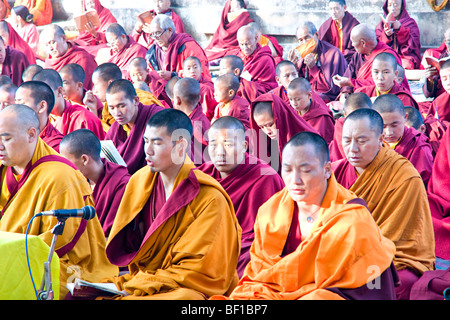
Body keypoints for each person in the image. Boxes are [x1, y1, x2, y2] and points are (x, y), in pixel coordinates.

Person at [212, 131, 397, 300]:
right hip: (274, 292)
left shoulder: (352, 220)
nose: (295, 180)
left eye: (306, 170)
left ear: (327, 170)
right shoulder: (270, 211)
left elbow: (368, 287)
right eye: (288, 170)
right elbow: (260, 273)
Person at [100, 108, 241, 300]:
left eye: (156, 143)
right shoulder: (140, 182)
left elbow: (199, 271)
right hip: (145, 278)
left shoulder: (210, 198)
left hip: (186, 286)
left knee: (187, 299)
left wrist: (143, 284)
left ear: (181, 146)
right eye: (145, 141)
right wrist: (140, 282)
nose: (147, 151)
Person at [0, 104, 118, 298]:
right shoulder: (4, 167)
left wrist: (9, 253)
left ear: (31, 135)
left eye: (6, 138)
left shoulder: (60, 176)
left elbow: (58, 242)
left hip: (55, 263)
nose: (0, 146)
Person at [331, 108, 435, 300]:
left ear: (380, 139)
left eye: (361, 141)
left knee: (395, 283)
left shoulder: (404, 176)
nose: (352, 149)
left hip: (389, 256)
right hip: (340, 252)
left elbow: (401, 238)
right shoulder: (336, 172)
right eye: (346, 140)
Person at [199, 116, 284, 278]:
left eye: (228, 145)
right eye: (213, 144)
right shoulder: (203, 175)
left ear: (244, 146)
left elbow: (272, 234)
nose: (220, 152)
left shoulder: (265, 177)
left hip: (244, 248)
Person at [59, 129, 130, 238]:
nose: (65, 167)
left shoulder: (121, 184)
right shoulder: (77, 180)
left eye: (67, 162)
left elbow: (115, 236)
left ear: (84, 160)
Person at [332, 23, 409, 100]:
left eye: (353, 41)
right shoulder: (358, 54)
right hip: (359, 96)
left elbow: (383, 81)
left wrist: (350, 82)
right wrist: (345, 92)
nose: (352, 44)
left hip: (386, 99)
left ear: (363, 43)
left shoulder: (387, 56)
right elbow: (349, 75)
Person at [104, 79, 164, 174]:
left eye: (122, 106)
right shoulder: (116, 128)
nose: (117, 113)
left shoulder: (156, 117)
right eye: (112, 108)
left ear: (136, 100)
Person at [372, 94, 433, 186]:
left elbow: (422, 186)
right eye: (383, 126)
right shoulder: (369, 142)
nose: (389, 132)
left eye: (394, 125)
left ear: (405, 117)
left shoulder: (419, 147)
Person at [250, 93, 318, 174]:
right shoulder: (265, 142)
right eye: (262, 127)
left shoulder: (308, 138)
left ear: (281, 117)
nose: (267, 131)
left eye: (270, 125)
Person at [32, 69, 106, 140]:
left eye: (45, 94)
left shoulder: (84, 119)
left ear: (60, 91)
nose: (41, 100)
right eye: (37, 96)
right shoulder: (37, 121)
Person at [288, 21, 347, 103]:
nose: (304, 43)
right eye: (300, 40)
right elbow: (300, 82)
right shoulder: (304, 55)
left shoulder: (332, 53)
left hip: (326, 96)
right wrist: (294, 68)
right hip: (307, 94)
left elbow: (332, 88)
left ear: (316, 35)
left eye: (307, 38)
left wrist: (313, 68)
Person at [146, 14, 211, 82]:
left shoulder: (188, 46)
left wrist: (173, 75)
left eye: (158, 33)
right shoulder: (153, 51)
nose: (155, 38)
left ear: (170, 30)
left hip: (186, 87)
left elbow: (201, 71)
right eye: (153, 34)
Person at [41, 24, 98, 90]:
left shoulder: (81, 58)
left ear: (63, 38)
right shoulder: (48, 62)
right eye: (46, 45)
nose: (50, 48)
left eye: (52, 42)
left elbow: (81, 89)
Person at [354, 52, 419, 109]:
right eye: (376, 72)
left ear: (395, 74)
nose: (380, 77)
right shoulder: (363, 93)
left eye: (386, 72)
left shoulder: (403, 99)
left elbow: (408, 122)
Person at [226, 24, 278, 93]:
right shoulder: (235, 56)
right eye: (241, 44)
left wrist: (247, 86)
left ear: (256, 39)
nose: (245, 48)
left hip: (255, 95)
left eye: (248, 44)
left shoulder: (265, 59)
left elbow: (269, 87)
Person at [15, 80, 63, 152]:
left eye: (21, 104)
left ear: (42, 106)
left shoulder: (55, 145)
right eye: (15, 103)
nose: (15, 109)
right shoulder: (10, 134)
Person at [172, 77, 210, 166]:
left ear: (177, 100)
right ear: (199, 98)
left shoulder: (194, 126)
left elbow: (199, 159)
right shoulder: (200, 118)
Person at [287, 77, 335, 144]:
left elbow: (325, 143)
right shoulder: (291, 112)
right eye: (290, 99)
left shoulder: (321, 116)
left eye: (298, 99)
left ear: (309, 95)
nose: (294, 103)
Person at [375, 0, 421, 70]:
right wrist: (386, 35)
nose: (392, 8)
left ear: (402, 6)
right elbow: (377, 44)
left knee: (406, 65)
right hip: (387, 56)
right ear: (386, 7)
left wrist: (400, 29)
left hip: (404, 57)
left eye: (396, 5)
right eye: (390, 5)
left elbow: (413, 44)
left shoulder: (410, 23)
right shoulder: (381, 25)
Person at [329, 92, 373, 162]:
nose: (358, 121)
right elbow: (348, 155)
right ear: (345, 115)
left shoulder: (375, 123)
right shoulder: (341, 125)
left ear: (372, 112)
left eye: (362, 115)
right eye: (353, 117)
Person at [182, 56, 217, 121]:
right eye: (188, 68)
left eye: (195, 67)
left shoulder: (206, 88)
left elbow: (207, 113)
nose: (192, 71)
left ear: (201, 69)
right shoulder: (181, 86)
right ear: (183, 72)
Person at [420, 27, 449, 99]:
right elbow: (430, 94)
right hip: (444, 99)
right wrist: (430, 80)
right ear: (445, 42)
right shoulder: (443, 58)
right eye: (449, 42)